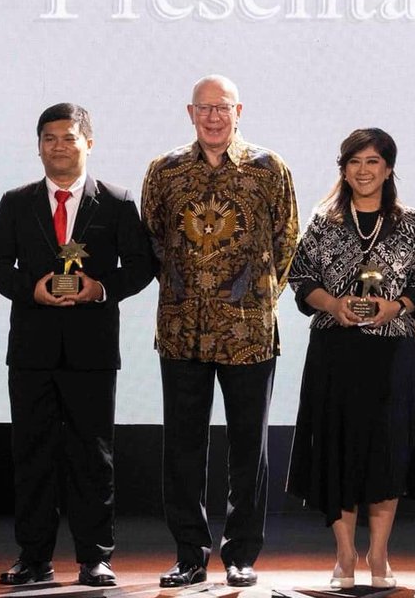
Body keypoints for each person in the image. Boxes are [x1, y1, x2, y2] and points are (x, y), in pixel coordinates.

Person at [0, 103, 155, 587]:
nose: (59, 146)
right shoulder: (16, 201)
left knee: (92, 455)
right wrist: (31, 288)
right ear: (39, 146)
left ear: (89, 143)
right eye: (49, 138)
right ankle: (33, 557)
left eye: (69, 137)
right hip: (33, 349)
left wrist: (98, 288)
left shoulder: (117, 202)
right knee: (31, 453)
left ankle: (95, 557)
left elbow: (141, 266)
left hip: (92, 349)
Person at [141, 75, 298, 588]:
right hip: (183, 329)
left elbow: (287, 238)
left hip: (249, 330)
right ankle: (189, 553)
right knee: (182, 447)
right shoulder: (164, 171)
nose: (214, 117)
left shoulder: (268, 169)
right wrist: (189, 295)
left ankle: (241, 555)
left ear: (239, 111)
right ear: (190, 113)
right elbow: (154, 242)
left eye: (223, 108)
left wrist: (257, 299)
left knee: (249, 447)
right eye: (205, 108)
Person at [287, 128, 415, 590]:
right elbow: (300, 279)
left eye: (373, 161)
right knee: (337, 450)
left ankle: (379, 554)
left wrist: (396, 306)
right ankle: (343, 556)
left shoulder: (414, 223)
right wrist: (333, 305)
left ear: (388, 168)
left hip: (393, 354)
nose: (363, 170)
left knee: (386, 453)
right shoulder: (322, 222)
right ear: (344, 168)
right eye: (354, 162)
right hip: (335, 353)